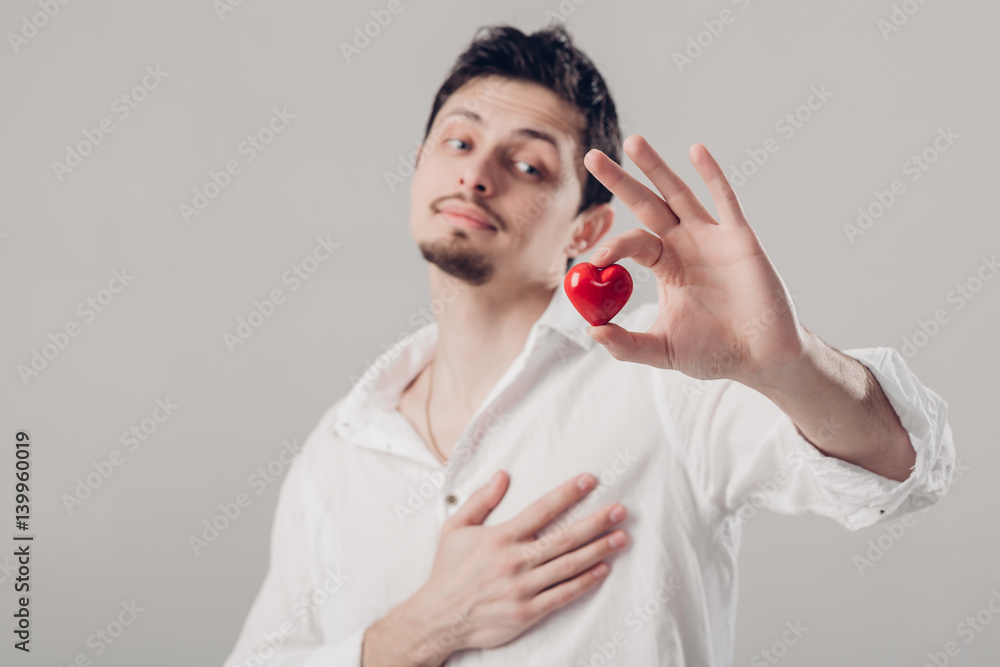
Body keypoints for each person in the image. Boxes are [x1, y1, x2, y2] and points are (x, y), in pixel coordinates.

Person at [223, 23, 955, 667]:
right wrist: (418, 630)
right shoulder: (340, 449)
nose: (477, 173)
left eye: (530, 164)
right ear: (418, 168)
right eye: (459, 141)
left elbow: (899, 465)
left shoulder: (667, 380)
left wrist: (787, 365)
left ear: (583, 229)